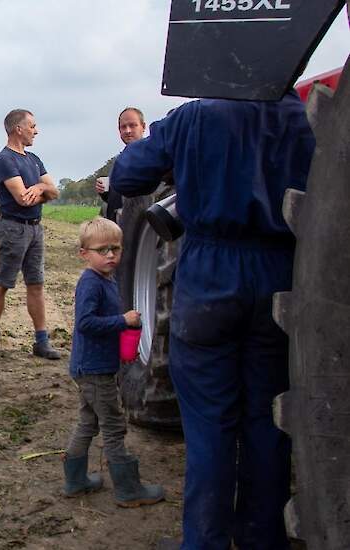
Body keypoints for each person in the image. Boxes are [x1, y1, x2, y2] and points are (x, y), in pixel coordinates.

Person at [110, 90, 315, 549]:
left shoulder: (196, 116)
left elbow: (126, 174)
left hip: (210, 275)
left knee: (208, 425)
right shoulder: (305, 116)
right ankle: (264, 538)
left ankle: (204, 541)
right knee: (268, 420)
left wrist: (178, 158)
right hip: (283, 275)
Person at [62, 217, 165, 508]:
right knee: (114, 427)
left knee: (88, 421)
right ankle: (128, 490)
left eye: (115, 249)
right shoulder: (90, 283)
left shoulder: (107, 279)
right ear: (84, 253)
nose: (110, 255)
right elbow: (85, 323)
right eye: (102, 250)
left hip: (93, 367)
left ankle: (75, 480)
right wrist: (122, 321)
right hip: (94, 371)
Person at [0, 109, 61, 360]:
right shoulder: (4, 160)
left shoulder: (34, 159)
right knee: (3, 282)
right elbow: (22, 199)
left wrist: (38, 187)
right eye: (32, 126)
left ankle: (41, 341)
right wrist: (41, 190)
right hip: (13, 228)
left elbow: (54, 192)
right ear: (18, 129)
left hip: (36, 228)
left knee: (36, 284)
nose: (36, 131)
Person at [94, 107, 147, 221]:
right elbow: (118, 199)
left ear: (143, 127)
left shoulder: (153, 158)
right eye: (123, 127)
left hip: (141, 229)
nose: (127, 131)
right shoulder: (120, 160)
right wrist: (105, 192)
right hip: (117, 228)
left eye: (133, 125)